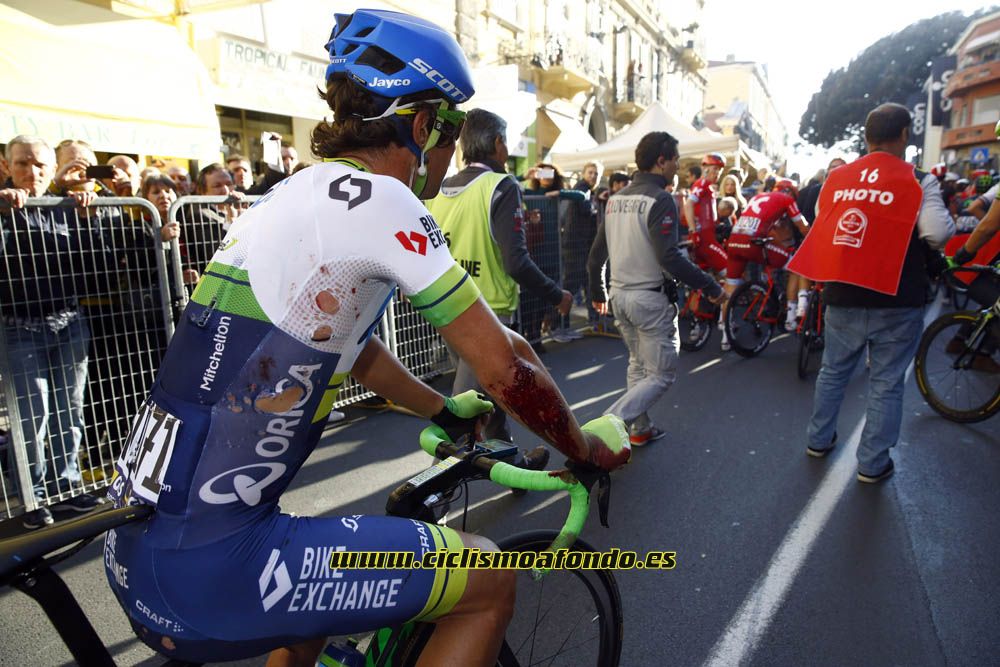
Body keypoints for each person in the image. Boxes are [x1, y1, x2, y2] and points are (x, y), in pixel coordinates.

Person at [103, 10, 630, 667]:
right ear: (419, 124)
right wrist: (582, 447)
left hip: (133, 550)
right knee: (490, 580)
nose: (452, 148)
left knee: (314, 603)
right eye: (451, 129)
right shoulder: (381, 199)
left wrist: (441, 409)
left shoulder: (284, 198)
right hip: (213, 570)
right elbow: (505, 365)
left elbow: (357, 355)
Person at [787, 103, 954, 483]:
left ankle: (818, 439)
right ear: (905, 135)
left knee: (832, 372)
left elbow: (822, 222)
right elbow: (937, 233)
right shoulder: (919, 179)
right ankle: (872, 464)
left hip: (842, 289)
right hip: (896, 295)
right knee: (886, 382)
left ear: (866, 136)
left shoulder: (838, 177)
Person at [426, 109, 573, 441]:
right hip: (485, 312)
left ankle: (511, 465)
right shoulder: (501, 186)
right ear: (496, 143)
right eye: (506, 142)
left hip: (444, 306)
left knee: (488, 395)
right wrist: (557, 295)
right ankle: (434, 488)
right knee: (465, 410)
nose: (507, 150)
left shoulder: (441, 187)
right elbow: (516, 263)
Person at [587, 131, 725, 446]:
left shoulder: (615, 198)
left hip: (620, 296)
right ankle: (603, 429)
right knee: (661, 374)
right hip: (648, 299)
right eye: (675, 160)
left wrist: (598, 291)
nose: (677, 166)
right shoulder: (660, 198)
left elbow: (596, 256)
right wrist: (710, 287)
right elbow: (669, 257)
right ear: (661, 161)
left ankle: (639, 430)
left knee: (638, 364)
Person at [0, 135, 107, 528]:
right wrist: (7, 213)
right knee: (31, 417)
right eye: (24, 164)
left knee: (69, 411)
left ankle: (67, 489)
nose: (33, 173)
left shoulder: (67, 206)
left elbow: (98, 268)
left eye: (41, 165)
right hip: (18, 328)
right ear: (8, 165)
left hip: (69, 323)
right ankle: (33, 498)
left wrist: (87, 219)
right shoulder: (2, 206)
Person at [721, 179, 808, 339]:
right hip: (753, 243)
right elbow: (802, 225)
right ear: (792, 194)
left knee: (730, 288)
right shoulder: (787, 199)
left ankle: (726, 335)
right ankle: (791, 318)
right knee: (795, 266)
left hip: (734, 241)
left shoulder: (758, 197)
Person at [682, 153, 729, 279]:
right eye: (715, 169)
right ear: (705, 168)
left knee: (705, 281)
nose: (717, 173)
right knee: (732, 272)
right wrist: (693, 230)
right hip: (704, 240)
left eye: (720, 170)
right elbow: (688, 205)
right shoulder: (702, 183)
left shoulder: (707, 186)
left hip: (706, 238)